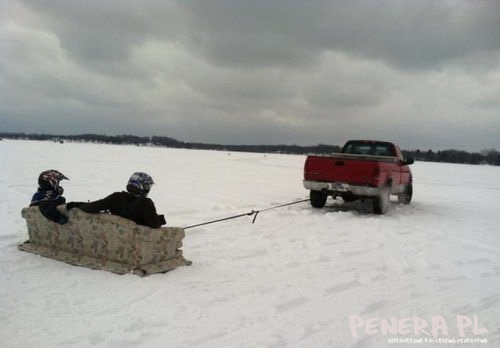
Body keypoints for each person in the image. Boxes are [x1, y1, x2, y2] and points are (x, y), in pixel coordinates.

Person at [67, 172, 166, 228]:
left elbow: (93, 206)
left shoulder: (116, 197)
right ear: (143, 187)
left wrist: (77, 204)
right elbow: (154, 225)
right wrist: (160, 219)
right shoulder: (146, 204)